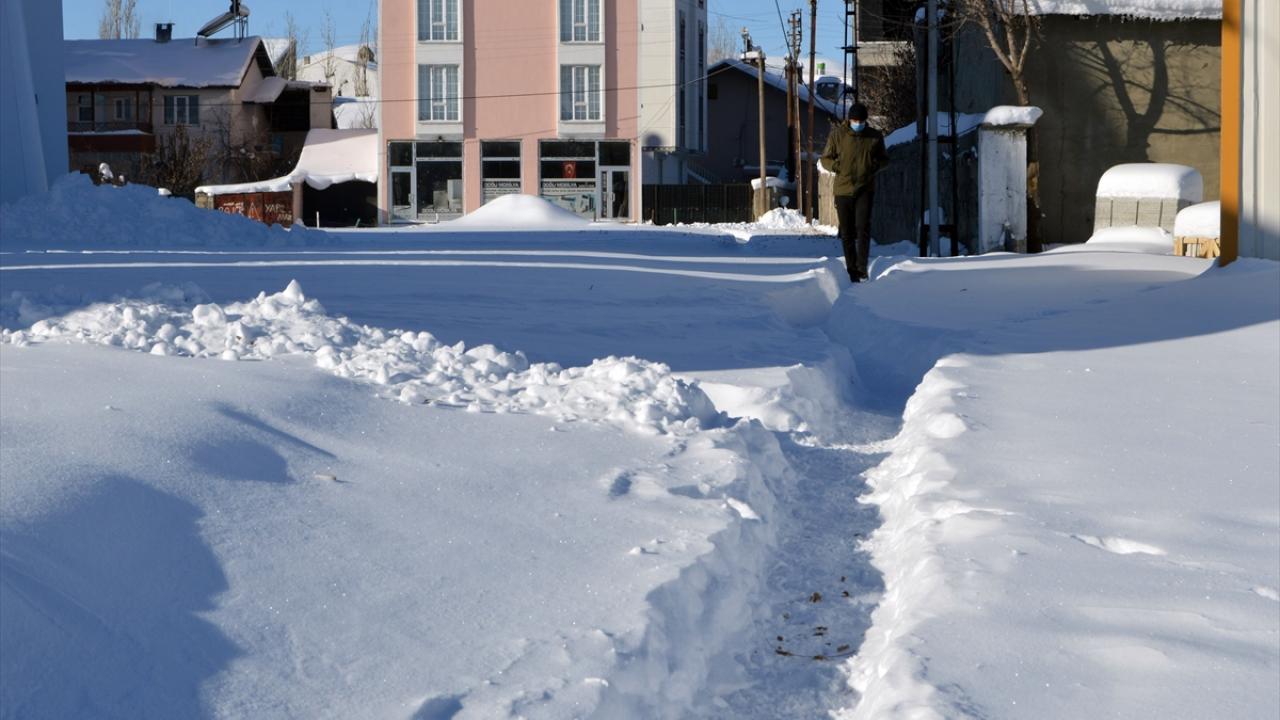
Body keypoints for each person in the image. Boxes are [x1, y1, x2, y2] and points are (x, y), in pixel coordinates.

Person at [820, 102, 889, 282]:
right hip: (843, 190)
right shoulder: (837, 136)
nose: (858, 123)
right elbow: (825, 159)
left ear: (866, 121)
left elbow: (884, 159)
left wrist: (874, 166)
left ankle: (862, 267)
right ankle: (851, 269)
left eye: (861, 120)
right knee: (847, 232)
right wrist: (836, 166)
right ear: (849, 120)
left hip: (865, 188)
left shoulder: (874, 136)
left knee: (863, 228)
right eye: (855, 120)